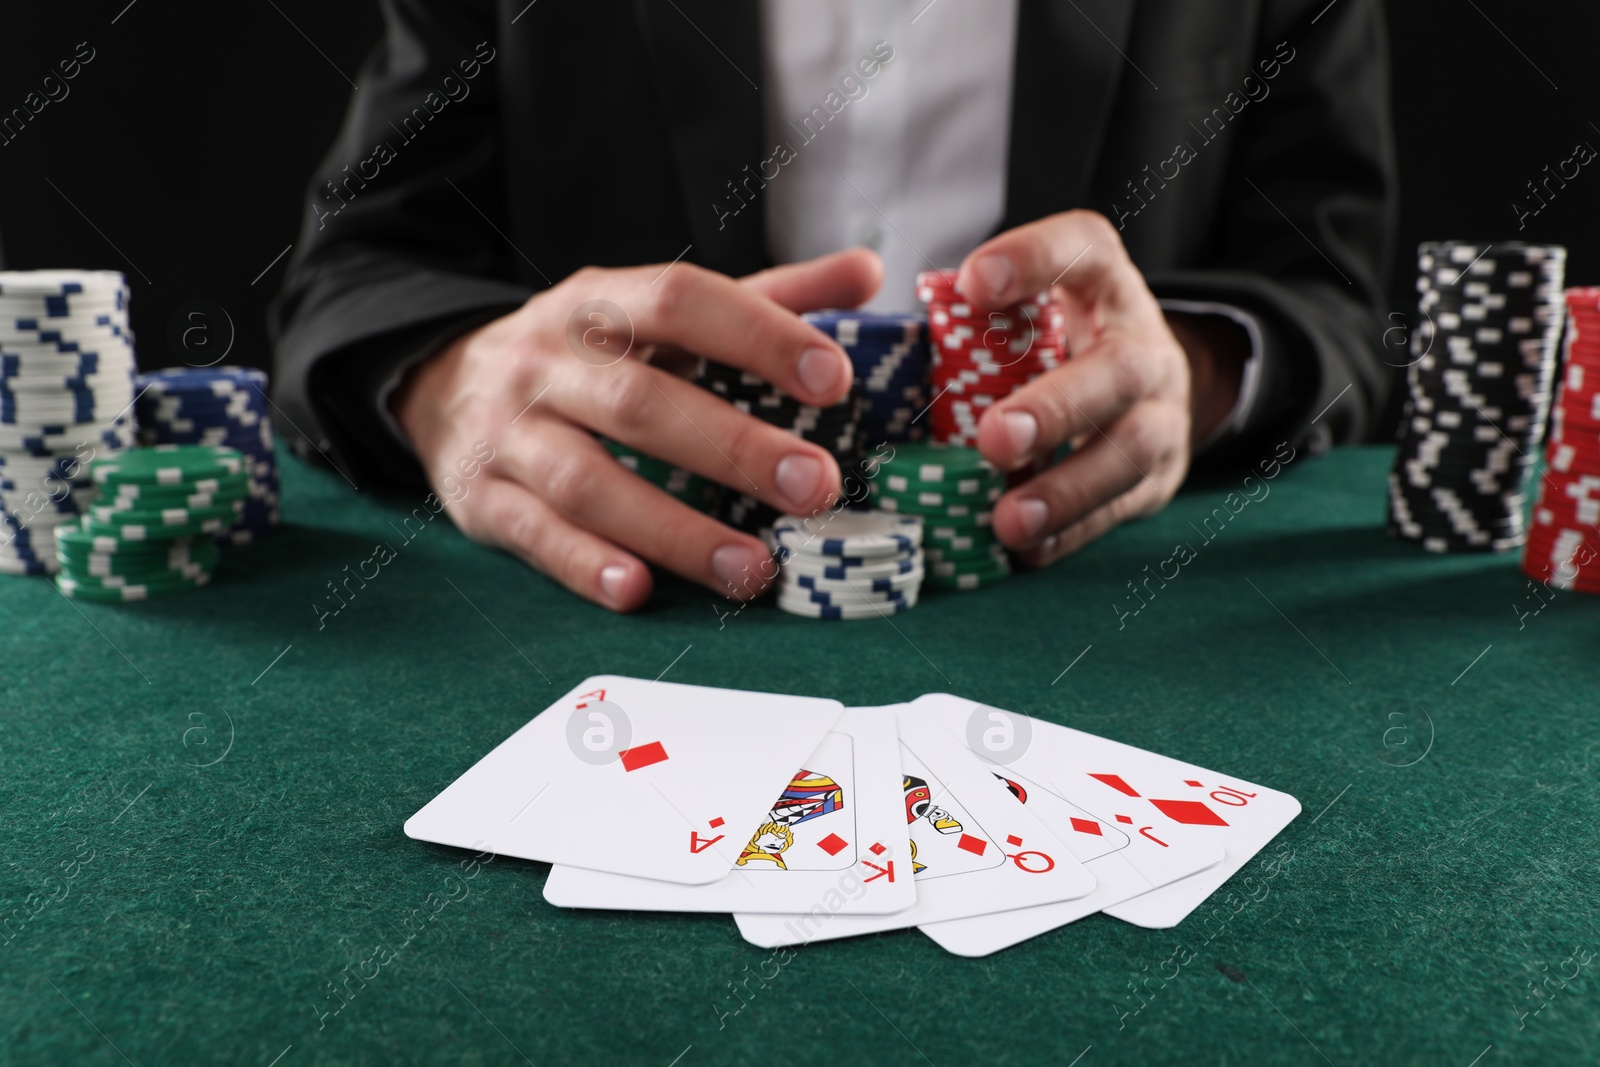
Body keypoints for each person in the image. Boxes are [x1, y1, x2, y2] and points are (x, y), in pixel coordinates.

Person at [271, 0, 1396, 613]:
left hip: (1098, 606)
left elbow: (1337, 297)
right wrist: (456, 381)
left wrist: (1192, 370)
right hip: (631, 602)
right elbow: (354, 270)